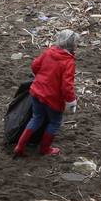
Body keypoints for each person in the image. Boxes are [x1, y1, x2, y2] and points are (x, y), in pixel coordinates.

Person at [14, 29, 78, 157]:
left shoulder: (49, 52)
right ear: (73, 45)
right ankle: (45, 149)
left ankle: (20, 146)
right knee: (54, 122)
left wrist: (41, 78)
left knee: (36, 118)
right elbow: (67, 86)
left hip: (36, 91)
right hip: (52, 98)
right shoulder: (68, 62)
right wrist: (71, 101)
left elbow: (35, 65)